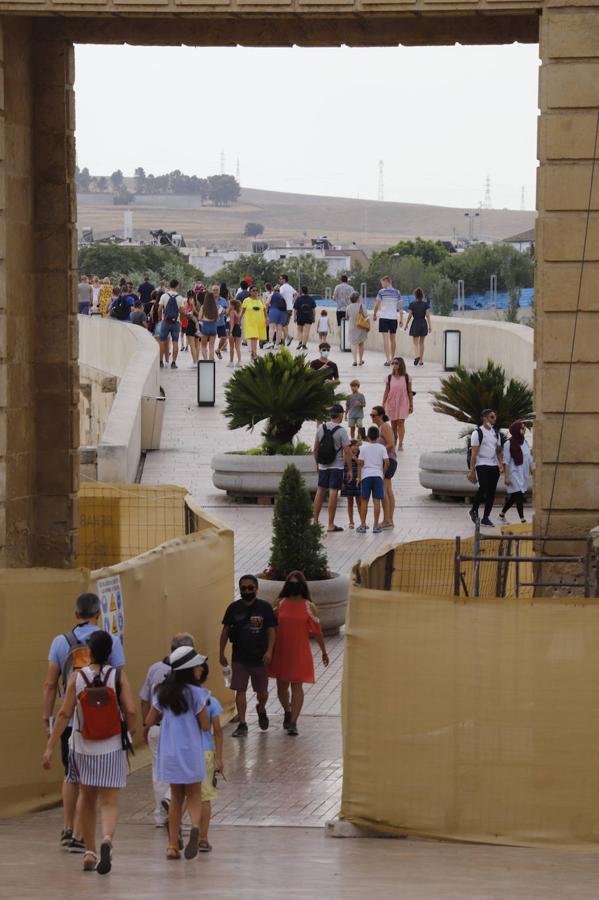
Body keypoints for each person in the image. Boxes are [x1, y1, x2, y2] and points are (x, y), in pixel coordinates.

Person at [42, 630, 136, 875]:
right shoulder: (118, 676)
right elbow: (132, 710)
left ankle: (89, 851)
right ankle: (106, 838)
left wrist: (51, 746)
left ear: (90, 651)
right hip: (112, 746)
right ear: (110, 653)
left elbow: (64, 714)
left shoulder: (77, 676)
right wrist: (130, 732)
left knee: (87, 798)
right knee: (109, 801)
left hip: (83, 746)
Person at [144, 646, 210, 861]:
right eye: (198, 666)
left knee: (175, 798)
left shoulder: (162, 693)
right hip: (191, 751)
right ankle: (194, 827)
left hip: (170, 752)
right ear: (189, 669)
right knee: (194, 795)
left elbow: (149, 720)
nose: (201, 668)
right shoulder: (197, 694)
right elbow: (205, 724)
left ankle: (172, 845)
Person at [140, 632, 195, 828]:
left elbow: (145, 700)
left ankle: (160, 815)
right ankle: (170, 799)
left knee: (158, 769)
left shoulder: (155, 668)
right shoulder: (190, 673)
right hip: (178, 729)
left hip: (156, 726)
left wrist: (145, 727)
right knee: (181, 767)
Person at [268, 571, 329, 736]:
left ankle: (293, 721)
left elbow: (317, 632)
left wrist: (324, 651)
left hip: (299, 651)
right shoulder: (279, 604)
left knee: (297, 686)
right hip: (281, 650)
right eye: (291, 583)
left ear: (302, 586)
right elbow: (270, 626)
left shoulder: (309, 607)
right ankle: (287, 711)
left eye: (297, 584)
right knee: (281, 687)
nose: (294, 587)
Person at [219, 575, 277, 737]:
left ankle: (261, 708)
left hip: (260, 658)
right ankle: (243, 723)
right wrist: (221, 652)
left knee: (262, 692)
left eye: (250, 588)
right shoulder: (233, 608)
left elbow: (271, 631)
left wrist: (269, 651)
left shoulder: (265, 608)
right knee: (240, 690)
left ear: (256, 589)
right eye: (243, 588)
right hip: (239, 658)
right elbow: (225, 631)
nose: (247, 591)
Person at [313, 404, 352, 533]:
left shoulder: (321, 428)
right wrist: (350, 469)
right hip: (337, 466)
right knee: (333, 492)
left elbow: (315, 449)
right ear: (340, 415)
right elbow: (347, 451)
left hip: (323, 465)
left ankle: (315, 521)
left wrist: (317, 464)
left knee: (320, 491)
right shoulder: (341, 431)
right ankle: (330, 524)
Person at [468, 408, 503, 527]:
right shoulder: (477, 433)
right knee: (483, 487)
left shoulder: (496, 433)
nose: (494, 419)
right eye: (492, 417)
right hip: (482, 464)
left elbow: (498, 451)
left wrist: (501, 465)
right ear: (485, 418)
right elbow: (474, 453)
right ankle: (473, 509)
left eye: (495, 417)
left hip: (494, 465)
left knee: (492, 492)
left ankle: (486, 517)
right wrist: (472, 470)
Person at [199, 688, 224, 852]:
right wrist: (219, 758)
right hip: (205, 752)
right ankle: (202, 838)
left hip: (185, 751)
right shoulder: (209, 701)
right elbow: (217, 730)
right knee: (204, 797)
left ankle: (174, 837)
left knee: (181, 794)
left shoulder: (177, 699)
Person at [499, 421, 533, 524]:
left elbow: (529, 459)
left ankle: (501, 515)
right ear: (515, 430)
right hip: (513, 473)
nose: (524, 429)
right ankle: (523, 520)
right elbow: (506, 461)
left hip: (523, 474)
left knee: (514, 496)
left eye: (524, 428)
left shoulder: (525, 443)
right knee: (518, 496)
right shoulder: (508, 444)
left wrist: (532, 470)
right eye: (521, 428)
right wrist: (506, 477)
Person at [356, 425, 389, 533]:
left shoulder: (363, 448)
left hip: (366, 476)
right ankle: (375, 525)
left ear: (368, 436)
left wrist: (359, 478)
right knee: (377, 502)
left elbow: (360, 464)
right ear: (378, 436)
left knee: (364, 501)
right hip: (378, 476)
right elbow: (387, 462)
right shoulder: (382, 448)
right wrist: (382, 472)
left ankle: (363, 525)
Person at [371, 405, 397, 529]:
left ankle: (387, 520)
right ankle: (389, 520)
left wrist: (377, 451)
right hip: (388, 461)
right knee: (388, 490)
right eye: (371, 415)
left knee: (383, 491)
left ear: (380, 416)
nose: (372, 417)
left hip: (389, 461)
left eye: (374, 415)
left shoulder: (385, 427)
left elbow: (391, 444)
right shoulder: (380, 428)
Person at [382, 357, 413, 450]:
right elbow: (386, 391)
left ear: (401, 365)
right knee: (393, 424)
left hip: (403, 402)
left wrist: (411, 405)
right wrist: (383, 403)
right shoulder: (389, 377)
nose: (394, 365)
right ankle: (394, 439)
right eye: (393, 363)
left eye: (396, 363)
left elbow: (410, 391)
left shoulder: (407, 377)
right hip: (391, 402)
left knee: (401, 422)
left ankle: (400, 443)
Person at [373, 276, 403, 366]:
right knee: (393, 339)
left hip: (384, 317)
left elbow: (377, 304)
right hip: (393, 318)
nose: (382, 285)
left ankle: (388, 359)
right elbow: (400, 307)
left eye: (382, 283)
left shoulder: (381, 292)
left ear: (387, 281)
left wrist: (374, 314)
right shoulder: (397, 292)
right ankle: (393, 358)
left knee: (385, 339)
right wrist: (401, 319)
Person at [158, 279, 185, 369]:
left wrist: (160, 319)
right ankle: (173, 363)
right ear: (177, 286)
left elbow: (159, 309)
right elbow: (182, 312)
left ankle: (161, 361)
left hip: (165, 322)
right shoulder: (180, 298)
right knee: (175, 342)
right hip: (175, 323)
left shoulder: (164, 296)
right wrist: (180, 320)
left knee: (162, 341)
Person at [404, 287, 432, 366]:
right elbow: (428, 315)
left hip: (415, 323)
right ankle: (421, 360)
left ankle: (417, 356)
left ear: (415, 295)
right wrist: (430, 326)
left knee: (415, 343)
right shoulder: (425, 304)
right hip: (423, 323)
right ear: (422, 295)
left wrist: (406, 324)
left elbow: (409, 315)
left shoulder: (412, 304)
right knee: (422, 343)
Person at [240, 286, 267, 358]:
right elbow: (242, 311)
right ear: (250, 292)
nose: (255, 292)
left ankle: (253, 353)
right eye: (253, 290)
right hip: (250, 322)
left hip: (259, 322)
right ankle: (254, 353)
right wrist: (238, 320)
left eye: (256, 290)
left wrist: (266, 319)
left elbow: (264, 310)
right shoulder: (246, 300)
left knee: (256, 338)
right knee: (254, 337)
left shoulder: (260, 300)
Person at [341, 439, 361, 529]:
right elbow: (342, 465)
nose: (356, 447)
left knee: (359, 501)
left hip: (357, 480)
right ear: (350, 446)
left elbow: (361, 464)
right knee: (350, 502)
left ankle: (362, 521)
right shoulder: (345, 453)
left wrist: (354, 457)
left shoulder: (360, 453)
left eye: (357, 445)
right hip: (348, 480)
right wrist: (342, 481)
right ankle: (351, 522)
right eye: (355, 445)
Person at [346, 291, 368, 366]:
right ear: (358, 298)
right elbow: (366, 316)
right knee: (361, 343)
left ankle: (354, 360)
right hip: (361, 327)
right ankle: (360, 360)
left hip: (352, 327)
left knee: (353, 344)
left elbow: (347, 317)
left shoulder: (348, 307)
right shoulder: (362, 306)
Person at [198, 286, 220, 361]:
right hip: (213, 326)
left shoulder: (203, 307)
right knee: (211, 346)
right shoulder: (215, 307)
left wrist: (204, 318)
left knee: (203, 345)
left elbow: (199, 318)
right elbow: (218, 318)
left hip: (205, 326)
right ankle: (211, 360)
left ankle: (205, 360)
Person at [332, 274, 354, 345]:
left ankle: (342, 342)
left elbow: (334, 297)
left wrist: (334, 297)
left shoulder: (337, 287)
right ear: (347, 280)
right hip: (349, 310)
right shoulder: (351, 288)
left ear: (341, 280)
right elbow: (354, 298)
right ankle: (348, 343)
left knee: (340, 326)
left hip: (340, 310)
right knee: (349, 326)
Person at [293, 286, 317, 350]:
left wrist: (294, 317)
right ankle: (304, 345)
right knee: (306, 331)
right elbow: (313, 309)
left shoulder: (298, 299)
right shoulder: (311, 299)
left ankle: (300, 342)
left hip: (300, 316)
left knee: (299, 330)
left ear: (301, 291)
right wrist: (313, 317)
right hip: (308, 317)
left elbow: (295, 309)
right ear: (307, 291)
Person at [278, 274, 297, 346]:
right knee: (286, 325)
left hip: (284, 308)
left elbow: (279, 295)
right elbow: (296, 294)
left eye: (280, 279)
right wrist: (292, 301)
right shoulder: (290, 287)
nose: (279, 280)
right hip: (290, 308)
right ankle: (284, 341)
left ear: (284, 280)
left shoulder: (282, 287)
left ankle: (288, 337)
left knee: (282, 325)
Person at [183, 290, 200, 364]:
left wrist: (192, 306)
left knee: (192, 345)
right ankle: (197, 360)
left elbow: (186, 314)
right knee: (197, 344)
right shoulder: (198, 303)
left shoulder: (187, 303)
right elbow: (199, 315)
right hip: (198, 325)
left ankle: (195, 362)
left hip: (191, 324)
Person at [227, 298, 242, 367]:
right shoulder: (238, 311)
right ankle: (239, 361)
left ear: (232, 305)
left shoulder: (232, 312)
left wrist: (230, 332)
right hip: (238, 328)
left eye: (229, 304)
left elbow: (232, 323)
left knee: (231, 347)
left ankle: (231, 361)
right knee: (237, 347)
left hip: (233, 329)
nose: (229, 306)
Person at [215, 288, 229, 360]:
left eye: (217, 290)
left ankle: (218, 350)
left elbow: (227, 311)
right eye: (214, 290)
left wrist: (224, 311)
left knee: (223, 338)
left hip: (221, 323)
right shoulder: (210, 299)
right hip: (212, 323)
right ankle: (210, 357)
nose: (215, 291)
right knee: (211, 340)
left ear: (219, 291)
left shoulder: (223, 300)